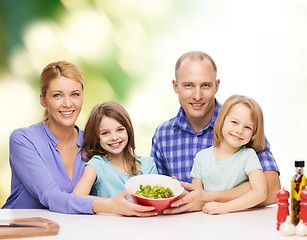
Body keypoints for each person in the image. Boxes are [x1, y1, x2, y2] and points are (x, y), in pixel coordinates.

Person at [2, 61, 157, 217]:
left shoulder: (94, 142)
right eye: (57, 95)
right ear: (43, 100)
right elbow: (50, 197)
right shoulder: (23, 140)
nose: (68, 103)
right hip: (21, 230)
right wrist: (109, 205)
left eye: (75, 94)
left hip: (71, 231)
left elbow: (116, 177)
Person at [150, 51, 281, 213]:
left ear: (216, 86)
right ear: (175, 86)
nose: (197, 96)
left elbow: (272, 188)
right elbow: (156, 193)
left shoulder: (238, 127)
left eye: (205, 85)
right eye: (188, 85)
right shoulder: (163, 136)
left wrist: (209, 198)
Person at [191, 94, 267, 214]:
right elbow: (196, 197)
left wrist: (225, 208)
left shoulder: (248, 156)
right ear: (222, 120)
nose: (239, 130)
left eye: (247, 127)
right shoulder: (201, 157)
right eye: (234, 122)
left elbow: (260, 193)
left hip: (239, 221)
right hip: (207, 220)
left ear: (253, 133)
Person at [73, 102, 158, 198]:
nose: (114, 137)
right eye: (105, 133)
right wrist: (112, 205)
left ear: (128, 130)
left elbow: (156, 198)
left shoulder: (149, 165)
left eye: (120, 130)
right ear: (96, 137)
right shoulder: (96, 165)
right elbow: (77, 197)